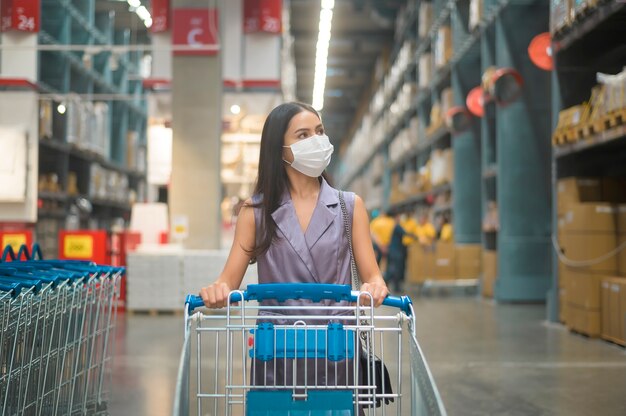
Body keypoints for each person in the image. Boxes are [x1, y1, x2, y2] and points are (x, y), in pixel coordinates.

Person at [199, 102, 389, 388]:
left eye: (320, 132)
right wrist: (217, 291)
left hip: (336, 346)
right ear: (280, 150)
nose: (316, 141)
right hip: (278, 349)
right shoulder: (255, 213)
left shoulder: (349, 206)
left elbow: (373, 276)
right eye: (303, 135)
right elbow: (227, 281)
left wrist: (374, 287)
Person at [384, 210, 417, 292]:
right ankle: (392, 284)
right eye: (399, 217)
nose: (400, 218)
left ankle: (391, 284)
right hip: (396, 251)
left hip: (395, 250)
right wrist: (415, 237)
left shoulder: (396, 226)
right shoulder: (397, 226)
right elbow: (405, 233)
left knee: (394, 269)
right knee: (395, 269)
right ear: (396, 218)